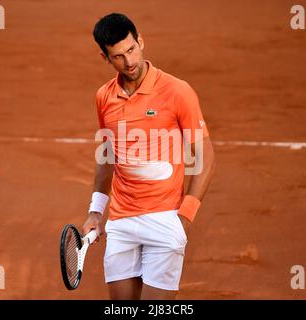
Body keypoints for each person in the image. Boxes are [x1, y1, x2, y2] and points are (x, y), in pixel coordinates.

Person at [81, 13, 215, 300]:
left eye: (131, 49)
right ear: (105, 58)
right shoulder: (104, 97)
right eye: (118, 56)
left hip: (165, 217)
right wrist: (95, 211)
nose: (129, 62)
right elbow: (107, 157)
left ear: (140, 40)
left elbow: (206, 157)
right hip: (121, 221)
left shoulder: (178, 92)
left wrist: (185, 218)